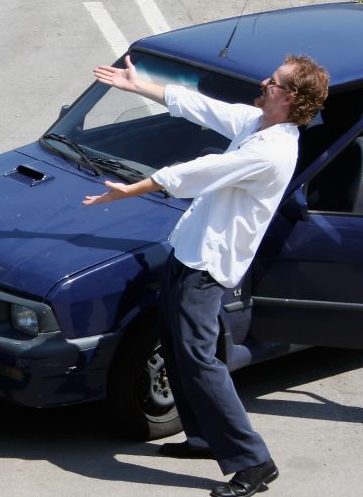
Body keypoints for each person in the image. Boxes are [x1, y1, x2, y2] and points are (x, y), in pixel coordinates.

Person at [83, 54, 328, 497]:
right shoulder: (258, 123)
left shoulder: (271, 150)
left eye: (272, 81)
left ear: (289, 97)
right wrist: (137, 86)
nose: (262, 80)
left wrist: (134, 189)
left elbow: (201, 171)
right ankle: (202, 438)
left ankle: (254, 462)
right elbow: (199, 105)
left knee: (198, 359)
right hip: (189, 251)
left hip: (208, 266)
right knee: (178, 348)